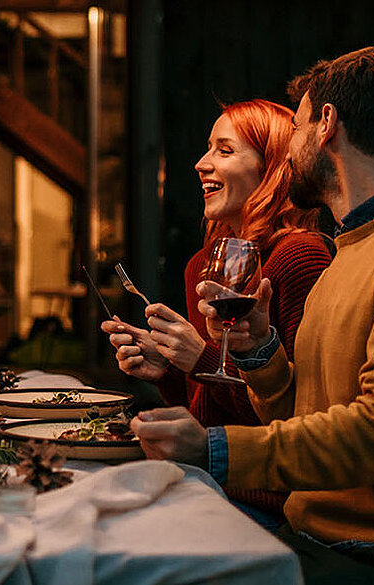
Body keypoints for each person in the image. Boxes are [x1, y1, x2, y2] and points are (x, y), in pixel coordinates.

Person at [130, 46, 374, 585]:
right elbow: (304, 416)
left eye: (300, 124)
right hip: (321, 540)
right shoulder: (351, 249)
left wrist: (215, 448)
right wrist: (259, 353)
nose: (289, 147)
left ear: (327, 124)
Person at [100, 99, 331, 523]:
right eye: (208, 148)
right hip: (209, 483)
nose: (201, 163)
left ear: (272, 167)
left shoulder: (300, 258)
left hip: (271, 505)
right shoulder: (204, 266)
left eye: (224, 151)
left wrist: (200, 360)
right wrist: (169, 369)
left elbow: (298, 419)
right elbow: (209, 418)